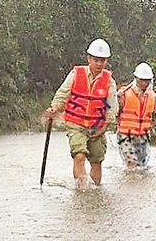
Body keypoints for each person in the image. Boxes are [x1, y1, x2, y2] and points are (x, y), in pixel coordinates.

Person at [45, 38, 118, 186]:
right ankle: (81, 193)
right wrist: (55, 107)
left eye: (102, 60)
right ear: (89, 59)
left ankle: (95, 193)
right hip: (75, 124)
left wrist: (103, 128)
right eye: (96, 60)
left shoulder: (109, 81)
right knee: (79, 156)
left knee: (96, 162)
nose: (99, 64)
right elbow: (62, 94)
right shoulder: (76, 74)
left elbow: (111, 109)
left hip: (97, 126)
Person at [115, 62, 156, 169]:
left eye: (147, 80)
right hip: (125, 137)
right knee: (131, 164)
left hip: (143, 137)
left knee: (142, 167)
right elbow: (113, 112)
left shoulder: (153, 96)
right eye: (142, 80)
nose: (145, 83)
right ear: (136, 78)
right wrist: (117, 100)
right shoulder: (123, 94)